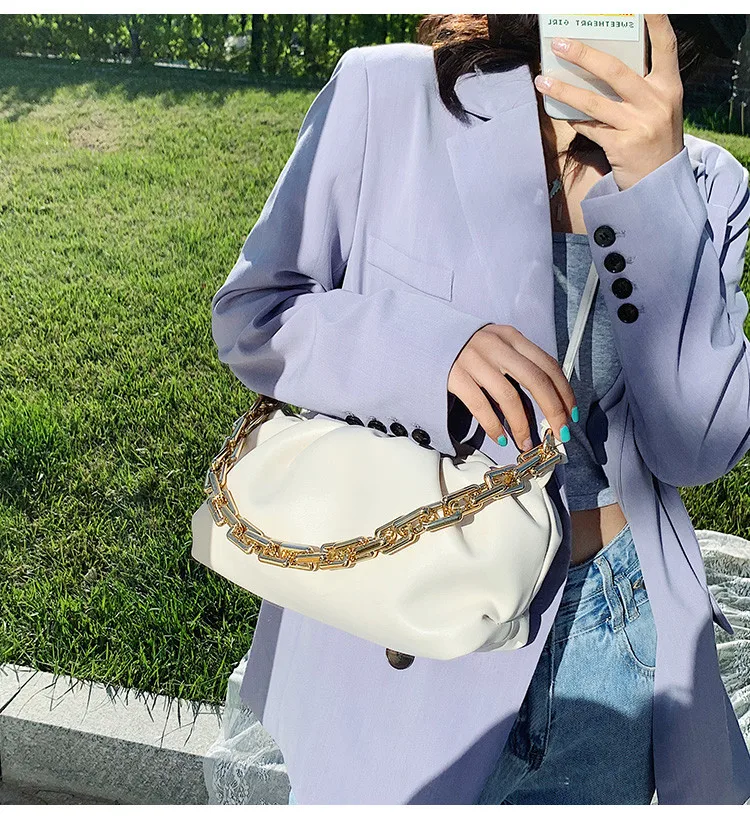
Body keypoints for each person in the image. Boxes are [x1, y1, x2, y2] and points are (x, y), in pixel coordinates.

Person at [210, 14, 750, 805]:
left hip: (610, 635)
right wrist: (430, 352)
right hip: (410, 612)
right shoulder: (391, 94)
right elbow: (256, 315)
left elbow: (695, 447)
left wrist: (656, 189)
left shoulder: (705, 183)